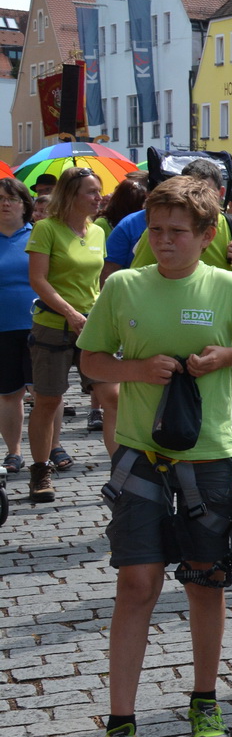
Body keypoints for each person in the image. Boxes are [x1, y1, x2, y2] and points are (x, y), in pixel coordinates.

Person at [76, 177, 232, 737]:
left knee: (206, 582)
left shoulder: (226, 287)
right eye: (156, 228)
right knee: (136, 584)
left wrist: (227, 356)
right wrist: (134, 369)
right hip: (142, 457)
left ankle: (204, 702)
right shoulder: (123, 286)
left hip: (211, 458)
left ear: (206, 234)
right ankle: (121, 727)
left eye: (177, 231)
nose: (163, 241)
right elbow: (90, 358)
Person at [26, 167, 117, 499]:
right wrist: (70, 312)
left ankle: (121, 472)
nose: (98, 197)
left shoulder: (97, 232)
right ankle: (40, 472)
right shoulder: (46, 229)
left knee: (113, 398)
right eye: (91, 192)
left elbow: (97, 283)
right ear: (71, 196)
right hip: (52, 326)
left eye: (98, 191)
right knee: (49, 401)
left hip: (92, 326)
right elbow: (38, 279)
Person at [0, 178, 36, 474]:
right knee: (9, 393)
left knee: (45, 393)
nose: (5, 203)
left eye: (12, 198)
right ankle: (13, 452)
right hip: (2, 327)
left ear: (25, 204)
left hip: (39, 325)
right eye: (0, 198)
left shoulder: (38, 236)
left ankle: (49, 448)